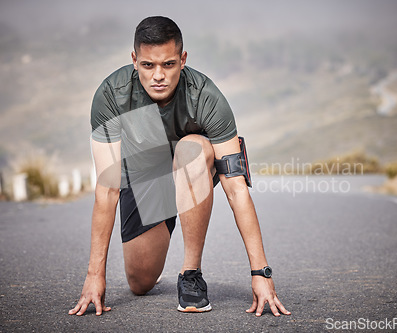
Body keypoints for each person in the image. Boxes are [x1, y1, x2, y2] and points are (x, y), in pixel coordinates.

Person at [68, 16, 290, 317]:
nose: (158, 75)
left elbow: (237, 189)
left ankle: (191, 274)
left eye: (168, 64)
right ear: (134, 60)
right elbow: (107, 190)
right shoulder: (111, 96)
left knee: (193, 148)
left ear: (182, 59)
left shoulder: (206, 97)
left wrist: (261, 273)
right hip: (145, 182)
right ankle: (165, 226)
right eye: (148, 65)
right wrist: (95, 276)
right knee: (140, 283)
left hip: (192, 172)